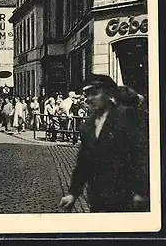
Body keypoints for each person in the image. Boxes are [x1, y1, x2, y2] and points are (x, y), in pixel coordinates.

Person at [59, 74, 150, 213]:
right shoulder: (88, 125)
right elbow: (83, 162)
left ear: (108, 94)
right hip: (97, 198)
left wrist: (140, 191)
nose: (90, 99)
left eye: (95, 93)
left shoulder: (125, 117)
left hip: (126, 198)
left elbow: (141, 156)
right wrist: (73, 193)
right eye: (87, 94)